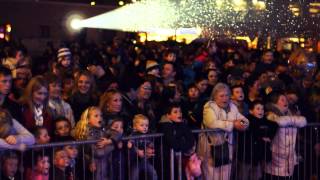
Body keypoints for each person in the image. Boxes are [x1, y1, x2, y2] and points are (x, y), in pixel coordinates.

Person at [201, 83, 249, 180]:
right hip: (211, 148)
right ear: (215, 97)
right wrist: (233, 124)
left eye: (227, 95)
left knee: (225, 176)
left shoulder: (233, 107)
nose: (225, 98)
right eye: (221, 96)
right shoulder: (209, 107)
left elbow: (245, 120)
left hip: (227, 148)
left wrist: (242, 124)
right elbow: (212, 123)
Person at [263, 91, 307, 180]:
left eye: (286, 99)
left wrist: (291, 119)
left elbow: (303, 121)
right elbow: (280, 121)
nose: (286, 102)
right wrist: (294, 119)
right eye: (282, 100)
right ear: (274, 102)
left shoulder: (289, 113)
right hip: (276, 158)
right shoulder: (270, 114)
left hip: (288, 159)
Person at [72, 106, 121, 180]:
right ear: (88, 119)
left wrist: (109, 141)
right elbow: (98, 152)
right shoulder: (86, 133)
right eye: (96, 116)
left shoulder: (104, 129)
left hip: (106, 165)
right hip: (94, 167)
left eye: (101, 115)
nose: (100, 118)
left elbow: (118, 134)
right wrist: (113, 145)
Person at [237, 100, 278, 180]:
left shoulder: (264, 120)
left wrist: (269, 137)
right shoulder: (245, 119)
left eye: (262, 109)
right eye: (258, 109)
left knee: (256, 176)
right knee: (243, 176)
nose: (261, 111)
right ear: (251, 111)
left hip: (258, 155)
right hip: (246, 154)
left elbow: (275, 125)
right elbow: (246, 126)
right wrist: (260, 137)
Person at [159, 102, 195, 180]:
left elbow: (191, 140)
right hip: (166, 161)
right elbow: (173, 143)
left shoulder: (182, 124)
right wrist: (183, 144)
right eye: (175, 112)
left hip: (178, 159)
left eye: (180, 111)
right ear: (168, 115)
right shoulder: (165, 126)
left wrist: (181, 145)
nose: (179, 114)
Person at [127, 114, 157, 180]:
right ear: (135, 127)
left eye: (146, 125)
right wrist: (137, 151)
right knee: (134, 176)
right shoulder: (133, 135)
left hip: (145, 160)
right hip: (135, 161)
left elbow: (150, 144)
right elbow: (129, 145)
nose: (145, 127)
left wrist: (151, 147)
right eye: (142, 125)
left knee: (153, 173)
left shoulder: (148, 134)